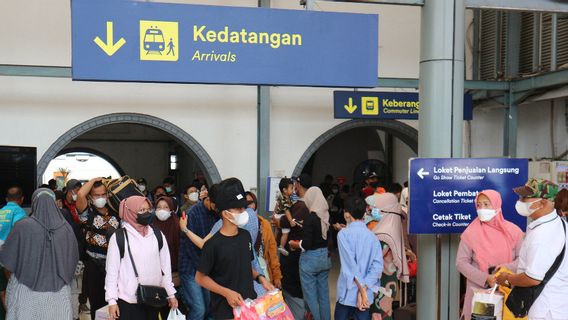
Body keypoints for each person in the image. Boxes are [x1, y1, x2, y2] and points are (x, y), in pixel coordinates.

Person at [195, 178, 273, 320]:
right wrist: (226, 293)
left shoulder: (245, 236)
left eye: (244, 207)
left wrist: (261, 279)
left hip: (249, 306)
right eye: (239, 209)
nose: (244, 212)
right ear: (225, 213)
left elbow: (245, 266)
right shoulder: (213, 244)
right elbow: (200, 278)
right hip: (226, 311)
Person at [0, 188, 79, 320]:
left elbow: (7, 259)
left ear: (34, 203)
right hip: (59, 293)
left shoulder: (22, 226)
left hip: (25, 289)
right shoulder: (66, 229)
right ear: (54, 203)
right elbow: (73, 260)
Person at [496, 179, 568, 319]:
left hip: (546, 311)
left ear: (543, 203)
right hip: (559, 305)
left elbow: (532, 278)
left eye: (526, 198)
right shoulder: (559, 225)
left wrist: (507, 278)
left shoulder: (542, 235)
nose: (521, 201)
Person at [106, 196, 178, 320]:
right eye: (141, 210)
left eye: (148, 209)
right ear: (130, 212)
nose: (146, 213)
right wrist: (112, 300)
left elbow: (165, 268)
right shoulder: (119, 237)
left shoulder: (157, 234)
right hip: (128, 301)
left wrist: (171, 293)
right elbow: (112, 272)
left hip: (153, 297)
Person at [456, 189, 524, 320]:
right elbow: (461, 262)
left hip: (508, 291)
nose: (482, 208)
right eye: (479, 205)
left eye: (486, 204)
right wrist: (486, 278)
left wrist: (505, 270)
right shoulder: (471, 232)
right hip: (480, 294)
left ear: (497, 205)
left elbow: (522, 259)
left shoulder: (514, 231)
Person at [76, 177, 120, 320]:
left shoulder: (116, 211)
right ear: (91, 197)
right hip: (94, 265)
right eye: (97, 195)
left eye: (103, 194)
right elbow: (81, 195)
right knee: (97, 303)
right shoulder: (87, 212)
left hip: (115, 265)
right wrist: (96, 179)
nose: (101, 197)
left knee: (115, 303)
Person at [335, 196, 383, 320]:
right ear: (363, 214)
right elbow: (377, 267)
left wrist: (361, 291)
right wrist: (364, 290)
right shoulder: (373, 237)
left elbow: (350, 266)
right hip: (365, 298)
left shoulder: (342, 235)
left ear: (347, 214)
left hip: (347, 294)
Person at [178, 184, 220, 320]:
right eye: (216, 205)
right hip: (191, 268)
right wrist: (204, 267)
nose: (218, 209)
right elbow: (190, 247)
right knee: (198, 309)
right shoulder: (192, 213)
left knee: (208, 306)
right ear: (208, 199)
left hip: (207, 269)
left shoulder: (217, 215)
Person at [289, 186, 332, 320]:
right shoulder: (325, 216)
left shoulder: (311, 217)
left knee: (310, 297)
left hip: (310, 260)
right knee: (324, 296)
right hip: (324, 258)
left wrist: (295, 244)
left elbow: (306, 244)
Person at [369, 193, 412, 320]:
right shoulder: (392, 226)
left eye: (379, 209)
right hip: (388, 281)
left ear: (386, 210)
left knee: (379, 315)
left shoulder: (384, 232)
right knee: (385, 314)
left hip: (383, 283)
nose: (374, 211)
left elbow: (373, 257)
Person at [275, 174, 311, 319]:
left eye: (294, 185)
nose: (293, 187)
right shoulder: (296, 203)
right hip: (292, 253)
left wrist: (280, 221)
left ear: (299, 186)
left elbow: (286, 221)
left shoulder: (301, 205)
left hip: (293, 253)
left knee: (292, 287)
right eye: (291, 186)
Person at [246, 192, 283, 289]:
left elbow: (272, 251)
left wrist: (277, 276)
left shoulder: (264, 224)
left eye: (251, 202)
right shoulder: (238, 226)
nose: (248, 206)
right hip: (246, 273)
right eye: (245, 203)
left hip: (264, 272)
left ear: (256, 204)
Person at [153, 196, 180, 289]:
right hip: (156, 272)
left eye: (166, 207)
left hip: (176, 272)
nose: (162, 210)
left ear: (171, 209)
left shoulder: (178, 224)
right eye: (159, 207)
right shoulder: (150, 225)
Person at [274, 178, 296, 256]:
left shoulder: (281, 196)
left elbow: (276, 205)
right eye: (291, 188)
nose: (293, 190)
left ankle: (274, 241)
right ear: (285, 190)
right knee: (286, 231)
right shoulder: (285, 199)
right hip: (281, 216)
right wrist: (290, 221)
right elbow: (287, 211)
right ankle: (282, 246)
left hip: (277, 215)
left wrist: (274, 214)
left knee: (277, 229)